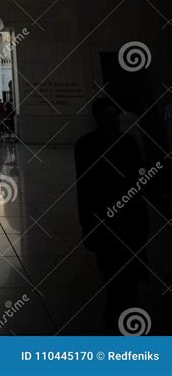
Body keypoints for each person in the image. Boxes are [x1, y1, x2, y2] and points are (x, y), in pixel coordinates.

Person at [74, 97, 150, 331]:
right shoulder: (85, 145)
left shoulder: (128, 143)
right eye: (108, 115)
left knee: (129, 285)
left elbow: (140, 181)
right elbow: (84, 187)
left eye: (115, 115)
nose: (114, 119)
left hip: (129, 222)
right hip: (104, 222)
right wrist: (87, 224)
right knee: (112, 279)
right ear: (97, 117)